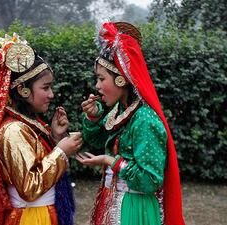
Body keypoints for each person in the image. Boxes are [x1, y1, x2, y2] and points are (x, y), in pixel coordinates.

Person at [76, 22, 185, 225]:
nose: (97, 86)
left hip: (135, 210)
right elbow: (98, 140)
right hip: (115, 201)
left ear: (121, 80)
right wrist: (93, 117)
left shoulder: (144, 119)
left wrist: (111, 162)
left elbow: (150, 180)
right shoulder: (121, 110)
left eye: (101, 78)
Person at [0, 33, 83, 225]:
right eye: (45, 87)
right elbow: (30, 187)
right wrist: (61, 152)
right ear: (23, 90)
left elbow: (39, 163)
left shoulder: (26, 124)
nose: (51, 94)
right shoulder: (13, 130)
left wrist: (55, 137)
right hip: (31, 218)